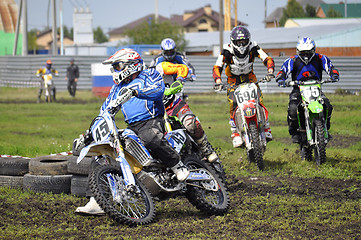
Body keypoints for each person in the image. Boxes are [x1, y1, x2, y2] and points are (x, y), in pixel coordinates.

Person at [74, 48, 189, 215]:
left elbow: (158, 91)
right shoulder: (116, 89)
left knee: (150, 138)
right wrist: (88, 135)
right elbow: (104, 111)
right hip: (132, 126)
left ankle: (176, 165)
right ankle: (96, 200)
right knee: (102, 154)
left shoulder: (149, 74)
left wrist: (136, 92)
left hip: (152, 121)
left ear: (130, 65)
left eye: (118, 66)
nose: (115, 71)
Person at [150, 38, 219, 163]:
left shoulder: (179, 59)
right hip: (159, 103)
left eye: (172, 52)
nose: (170, 55)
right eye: (167, 52)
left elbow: (187, 68)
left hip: (175, 97)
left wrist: (184, 78)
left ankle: (206, 149)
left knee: (190, 123)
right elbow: (151, 74)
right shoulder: (157, 62)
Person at [212, 26, 275, 148]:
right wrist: (218, 81)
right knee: (233, 104)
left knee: (259, 100)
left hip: (249, 77)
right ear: (232, 41)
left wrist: (270, 71)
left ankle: (266, 128)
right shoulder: (226, 51)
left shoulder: (253, 48)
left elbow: (267, 58)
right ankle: (235, 133)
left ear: (248, 40)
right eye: (238, 42)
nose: (241, 45)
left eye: (243, 41)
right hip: (233, 80)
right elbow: (217, 67)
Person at [275, 37, 340, 143]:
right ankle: (295, 133)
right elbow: (283, 71)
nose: (305, 55)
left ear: (314, 50)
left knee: (328, 105)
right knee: (293, 109)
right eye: (303, 53)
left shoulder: (321, 58)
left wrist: (334, 74)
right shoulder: (292, 60)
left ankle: (325, 129)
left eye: (308, 52)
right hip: (298, 89)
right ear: (298, 51)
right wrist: (281, 79)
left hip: (316, 88)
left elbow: (330, 67)